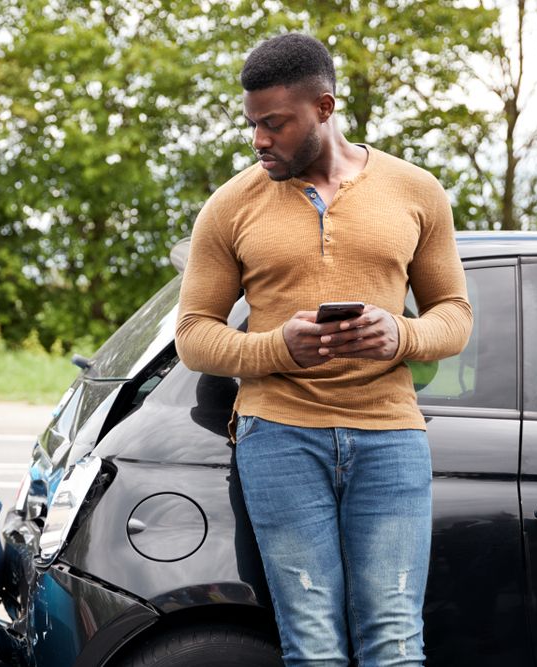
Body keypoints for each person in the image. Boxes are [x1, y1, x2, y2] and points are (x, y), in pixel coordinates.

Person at [175, 33, 473, 666]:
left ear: (324, 107)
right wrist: (278, 347)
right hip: (278, 437)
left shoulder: (416, 191)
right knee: (312, 647)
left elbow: (456, 315)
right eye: (252, 123)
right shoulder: (229, 206)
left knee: (394, 642)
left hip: (390, 438)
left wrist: (403, 335)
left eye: (274, 123)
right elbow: (194, 335)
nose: (259, 139)